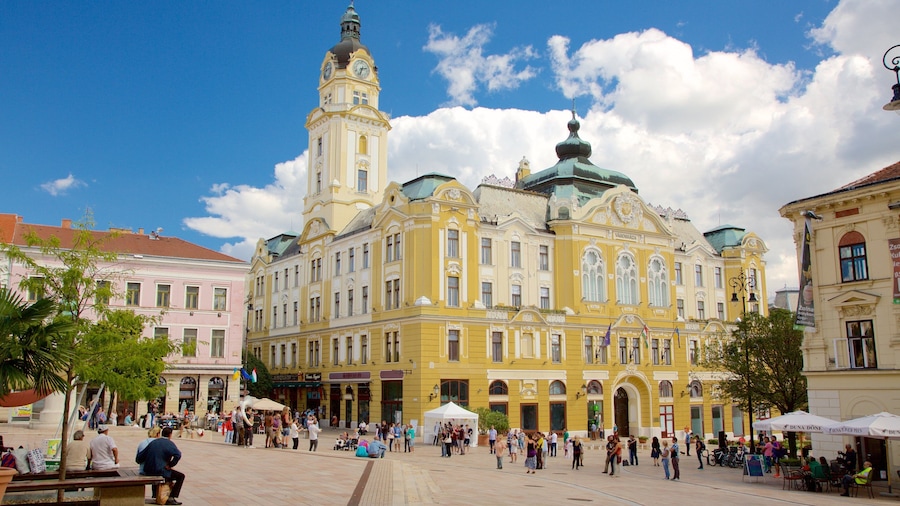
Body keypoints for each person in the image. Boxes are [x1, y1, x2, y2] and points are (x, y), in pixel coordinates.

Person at [138, 427, 185, 506]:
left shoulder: (153, 442)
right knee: (180, 476)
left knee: (163, 473)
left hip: (148, 470)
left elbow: (140, 457)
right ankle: (171, 497)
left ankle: (156, 495)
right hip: (161, 470)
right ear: (170, 435)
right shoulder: (169, 443)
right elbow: (178, 455)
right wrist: (170, 464)